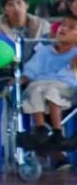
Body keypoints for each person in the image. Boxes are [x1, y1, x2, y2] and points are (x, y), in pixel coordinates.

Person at [17, 14, 77, 169]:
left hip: (66, 88)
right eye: (63, 25)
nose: (64, 29)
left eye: (71, 28)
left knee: (51, 91)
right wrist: (21, 79)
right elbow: (31, 70)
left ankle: (57, 132)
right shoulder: (44, 51)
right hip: (41, 83)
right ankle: (41, 129)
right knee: (34, 89)